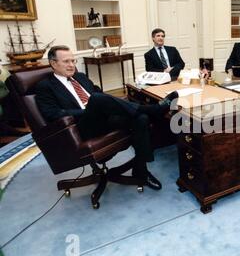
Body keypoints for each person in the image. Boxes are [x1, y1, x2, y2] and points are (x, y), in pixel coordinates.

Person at [35, 45, 179, 190]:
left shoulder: (80, 77)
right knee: (96, 99)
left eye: (73, 61)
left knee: (141, 119)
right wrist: (89, 110)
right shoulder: (45, 86)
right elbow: (52, 114)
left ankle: (141, 170)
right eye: (66, 61)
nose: (72, 65)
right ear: (53, 63)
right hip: (81, 127)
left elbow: (102, 96)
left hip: (104, 119)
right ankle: (154, 109)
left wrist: (105, 107)